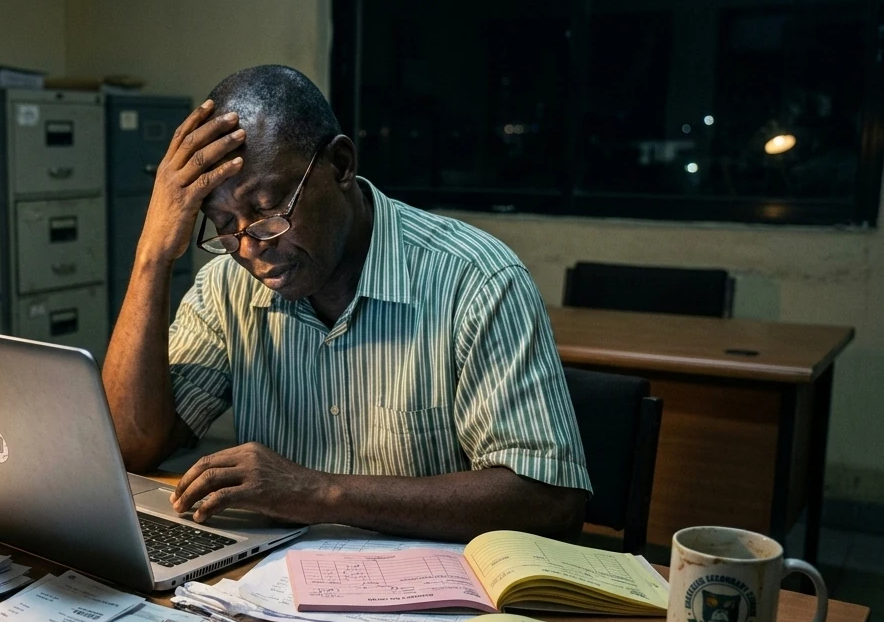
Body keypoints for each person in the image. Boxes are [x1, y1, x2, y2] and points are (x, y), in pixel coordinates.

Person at [102, 65, 591, 542]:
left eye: (268, 208)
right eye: (225, 224)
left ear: (340, 165)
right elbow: (128, 448)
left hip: (434, 600)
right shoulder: (225, 287)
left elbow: (550, 501)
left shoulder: (476, 279)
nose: (250, 247)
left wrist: (318, 492)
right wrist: (153, 255)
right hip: (270, 590)